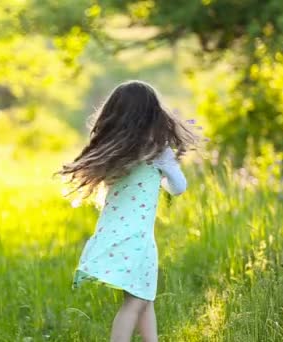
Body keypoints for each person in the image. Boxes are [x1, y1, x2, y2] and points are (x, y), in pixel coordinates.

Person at [57, 80, 199, 341]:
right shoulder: (157, 152)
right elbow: (179, 187)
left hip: (113, 234)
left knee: (145, 297)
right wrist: (165, 171)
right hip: (137, 239)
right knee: (135, 303)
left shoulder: (114, 152)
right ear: (152, 114)